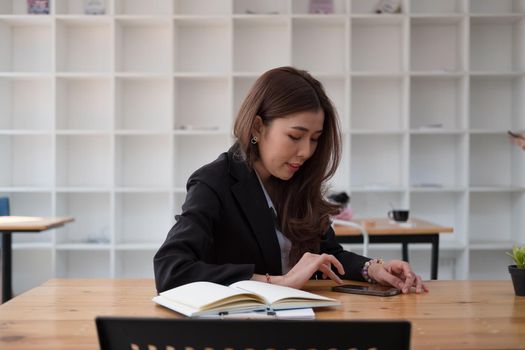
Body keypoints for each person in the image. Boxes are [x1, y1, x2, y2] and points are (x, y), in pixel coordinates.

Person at [154, 67, 428, 294]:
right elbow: (171, 269)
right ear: (258, 128)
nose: (307, 152)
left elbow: (327, 254)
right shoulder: (213, 182)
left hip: (300, 322)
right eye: (295, 137)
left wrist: (373, 268)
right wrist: (277, 282)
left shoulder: (296, 181)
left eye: (315, 139)